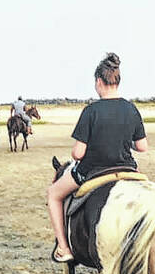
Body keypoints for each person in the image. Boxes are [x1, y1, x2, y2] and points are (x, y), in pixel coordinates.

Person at [47, 53, 148, 262]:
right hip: (128, 169)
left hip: (93, 170)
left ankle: (64, 248)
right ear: (117, 81)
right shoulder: (131, 109)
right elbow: (142, 146)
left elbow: (78, 153)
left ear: (99, 82)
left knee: (54, 194)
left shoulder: (91, 110)